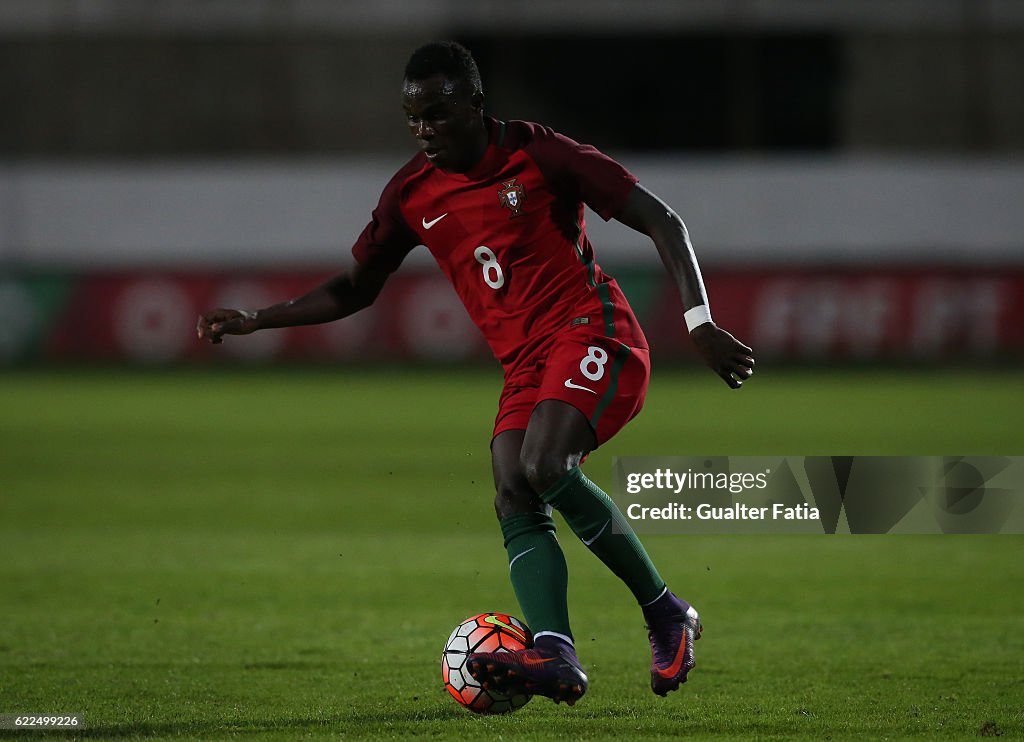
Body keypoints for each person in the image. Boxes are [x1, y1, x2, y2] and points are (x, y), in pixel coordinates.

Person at [197, 41, 754, 706]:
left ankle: (666, 612)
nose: (425, 131)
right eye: (413, 120)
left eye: (437, 114)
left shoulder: (542, 155)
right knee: (514, 489)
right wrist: (261, 318)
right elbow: (356, 286)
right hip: (525, 365)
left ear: (475, 105)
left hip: (595, 331)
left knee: (546, 463)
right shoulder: (411, 192)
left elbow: (662, 219)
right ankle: (556, 653)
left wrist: (699, 323)